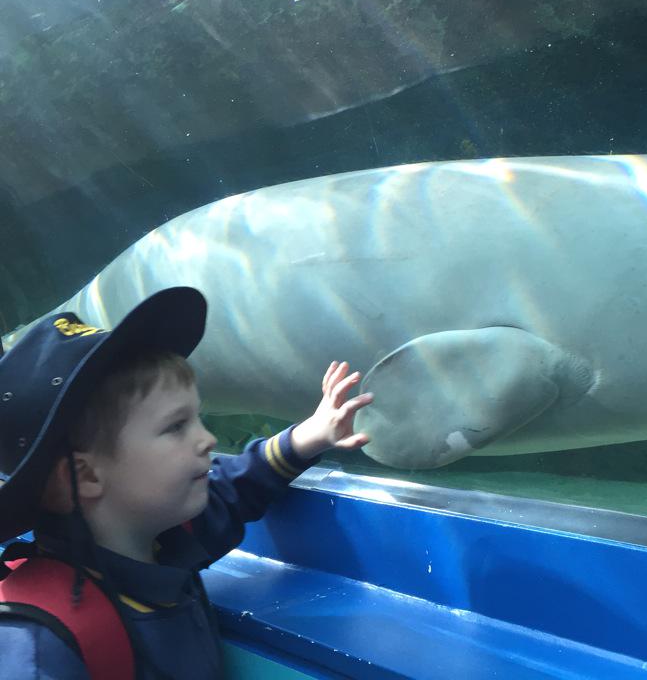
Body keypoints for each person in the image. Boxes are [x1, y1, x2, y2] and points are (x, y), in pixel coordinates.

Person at [0, 286, 374, 679]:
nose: (207, 440)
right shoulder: (39, 647)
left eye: (199, 418)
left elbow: (234, 490)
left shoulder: (163, 543)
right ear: (86, 475)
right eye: (176, 426)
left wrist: (309, 435)